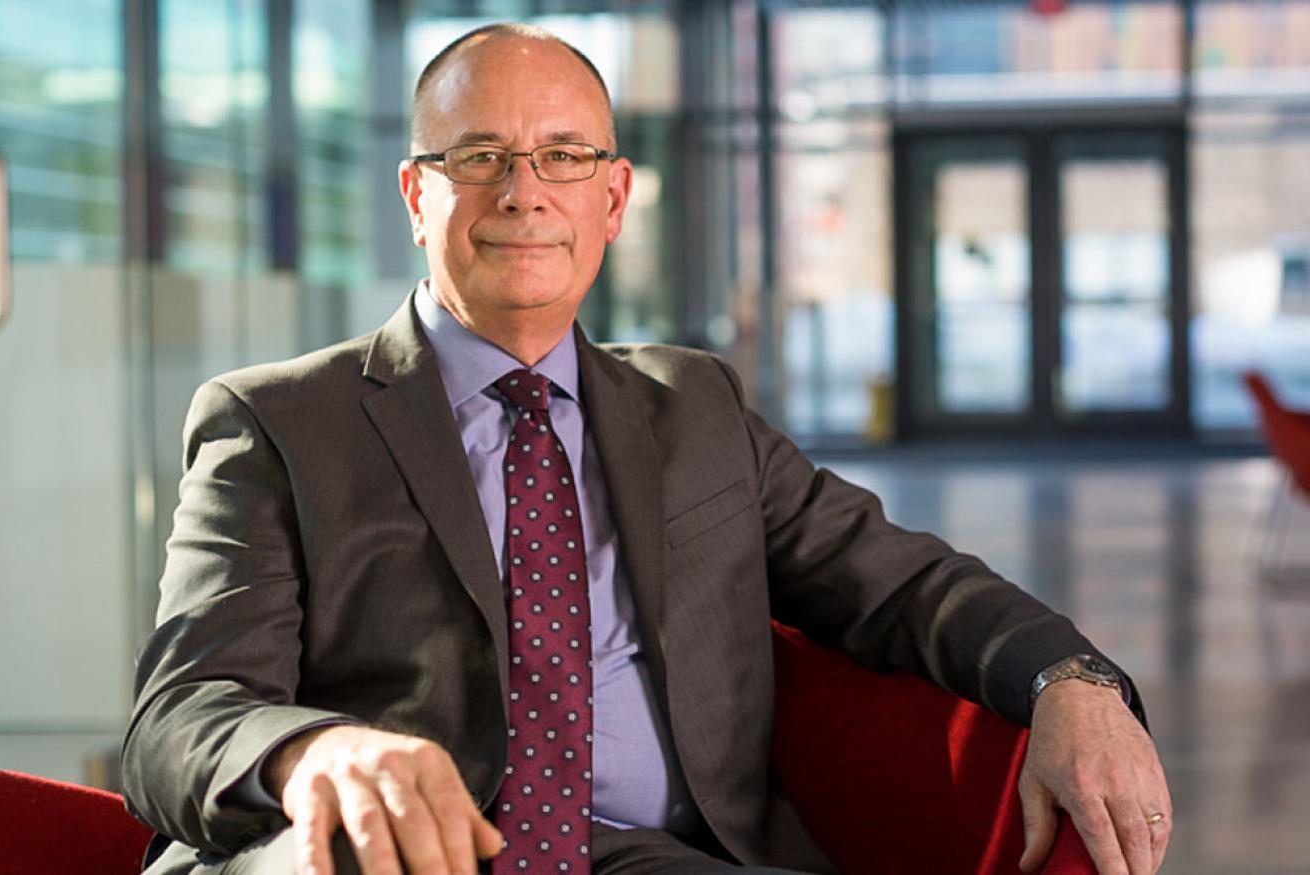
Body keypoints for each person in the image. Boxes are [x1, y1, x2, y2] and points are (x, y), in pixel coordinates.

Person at [122, 22, 1171, 875]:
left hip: (657, 855)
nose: (523, 192)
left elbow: (908, 585)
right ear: (417, 194)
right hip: (398, 857)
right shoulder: (279, 420)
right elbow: (178, 721)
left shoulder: (692, 405)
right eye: (479, 156)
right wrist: (317, 749)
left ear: (611, 198)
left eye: (562, 157)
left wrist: (1068, 678)